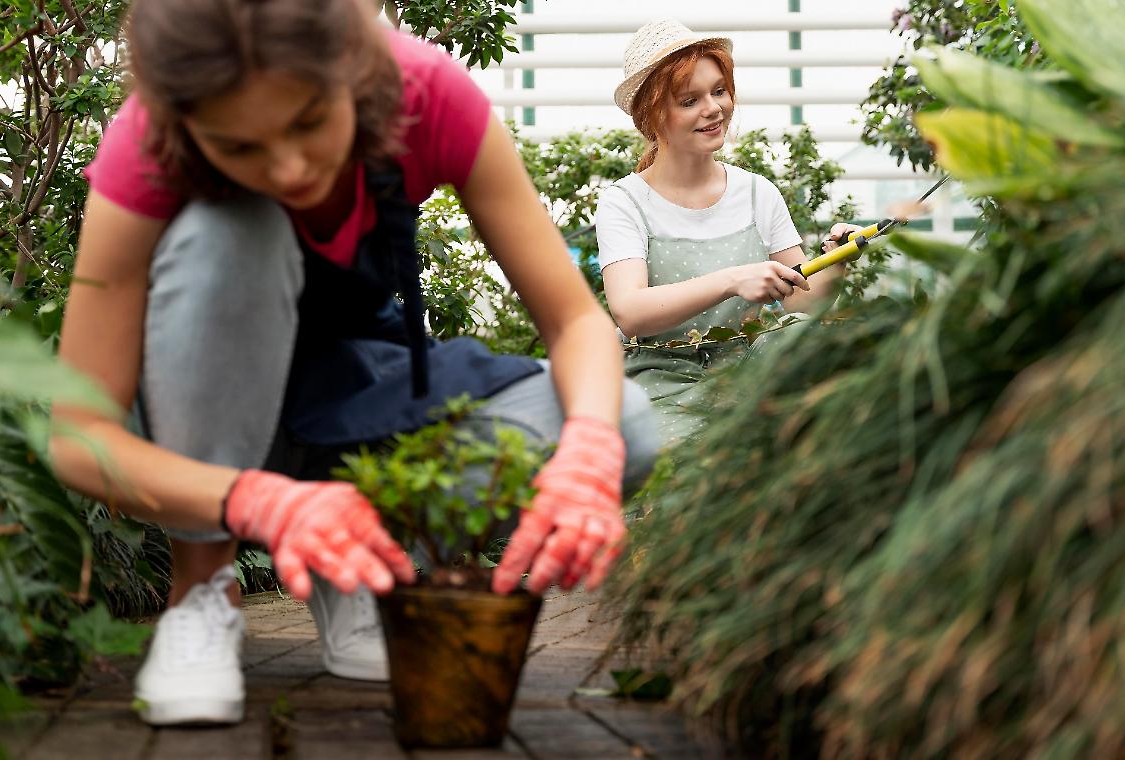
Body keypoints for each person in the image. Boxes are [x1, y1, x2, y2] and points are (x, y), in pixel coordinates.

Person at [50, 0, 657, 727]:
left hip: (352, 396)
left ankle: (355, 562)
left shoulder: (427, 95)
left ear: (358, 71)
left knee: (621, 420)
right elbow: (77, 432)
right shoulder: (149, 140)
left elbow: (575, 322)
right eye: (238, 147)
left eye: (309, 121)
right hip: (201, 409)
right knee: (228, 229)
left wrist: (586, 452)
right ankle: (202, 590)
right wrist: (258, 503)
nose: (288, 166)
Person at [596, 19, 860, 443]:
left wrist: (836, 255)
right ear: (653, 114)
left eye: (719, 91)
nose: (714, 108)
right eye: (690, 100)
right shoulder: (625, 202)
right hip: (658, 387)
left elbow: (807, 304)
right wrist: (735, 279)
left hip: (747, 376)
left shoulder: (758, 194)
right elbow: (630, 312)